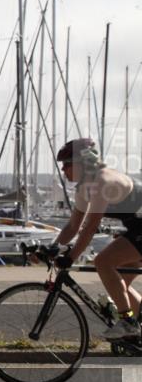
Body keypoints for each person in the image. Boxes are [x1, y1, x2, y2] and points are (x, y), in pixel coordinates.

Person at [52, 138, 142, 339]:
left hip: (139, 228)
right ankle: (135, 330)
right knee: (119, 286)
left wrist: (71, 257)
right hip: (136, 227)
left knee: (103, 261)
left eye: (67, 164)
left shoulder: (101, 181)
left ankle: (128, 322)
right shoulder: (84, 188)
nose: (63, 170)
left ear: (82, 163)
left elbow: (91, 227)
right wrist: (53, 248)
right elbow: (73, 226)